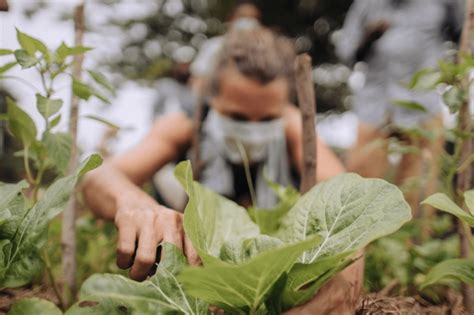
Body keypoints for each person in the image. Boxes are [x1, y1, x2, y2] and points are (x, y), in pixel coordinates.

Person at [82, 27, 362, 314]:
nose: (252, 131)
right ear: (210, 98)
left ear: (284, 105)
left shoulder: (294, 127)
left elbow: (348, 200)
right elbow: (99, 177)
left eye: (267, 119)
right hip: (187, 281)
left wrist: (346, 281)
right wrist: (135, 204)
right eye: (237, 116)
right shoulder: (187, 123)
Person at [335, 0, 464, 215]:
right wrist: (369, 37)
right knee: (359, 183)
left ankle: (414, 245)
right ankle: (360, 246)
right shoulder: (366, 4)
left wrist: (453, 71)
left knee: (420, 189)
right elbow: (346, 51)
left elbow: (464, 33)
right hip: (376, 103)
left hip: (424, 104)